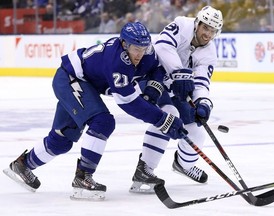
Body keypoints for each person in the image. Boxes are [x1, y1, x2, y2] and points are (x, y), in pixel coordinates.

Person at [3, 22, 187, 201]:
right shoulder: (117, 61)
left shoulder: (146, 52)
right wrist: (163, 120)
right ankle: (83, 177)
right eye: (135, 48)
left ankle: (22, 165)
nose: (140, 53)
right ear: (124, 44)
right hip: (70, 79)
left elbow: (156, 69)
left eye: (144, 48)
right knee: (103, 122)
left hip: (84, 84)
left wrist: (153, 88)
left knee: (62, 139)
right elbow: (128, 102)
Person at [130, 6, 223, 193]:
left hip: (177, 86)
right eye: (206, 28)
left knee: (196, 131)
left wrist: (203, 102)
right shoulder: (182, 24)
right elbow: (162, 45)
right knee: (168, 116)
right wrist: (179, 72)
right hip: (153, 76)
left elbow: (201, 82)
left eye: (213, 31)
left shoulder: (209, 53)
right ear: (197, 23)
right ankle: (144, 170)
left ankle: (184, 165)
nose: (208, 34)